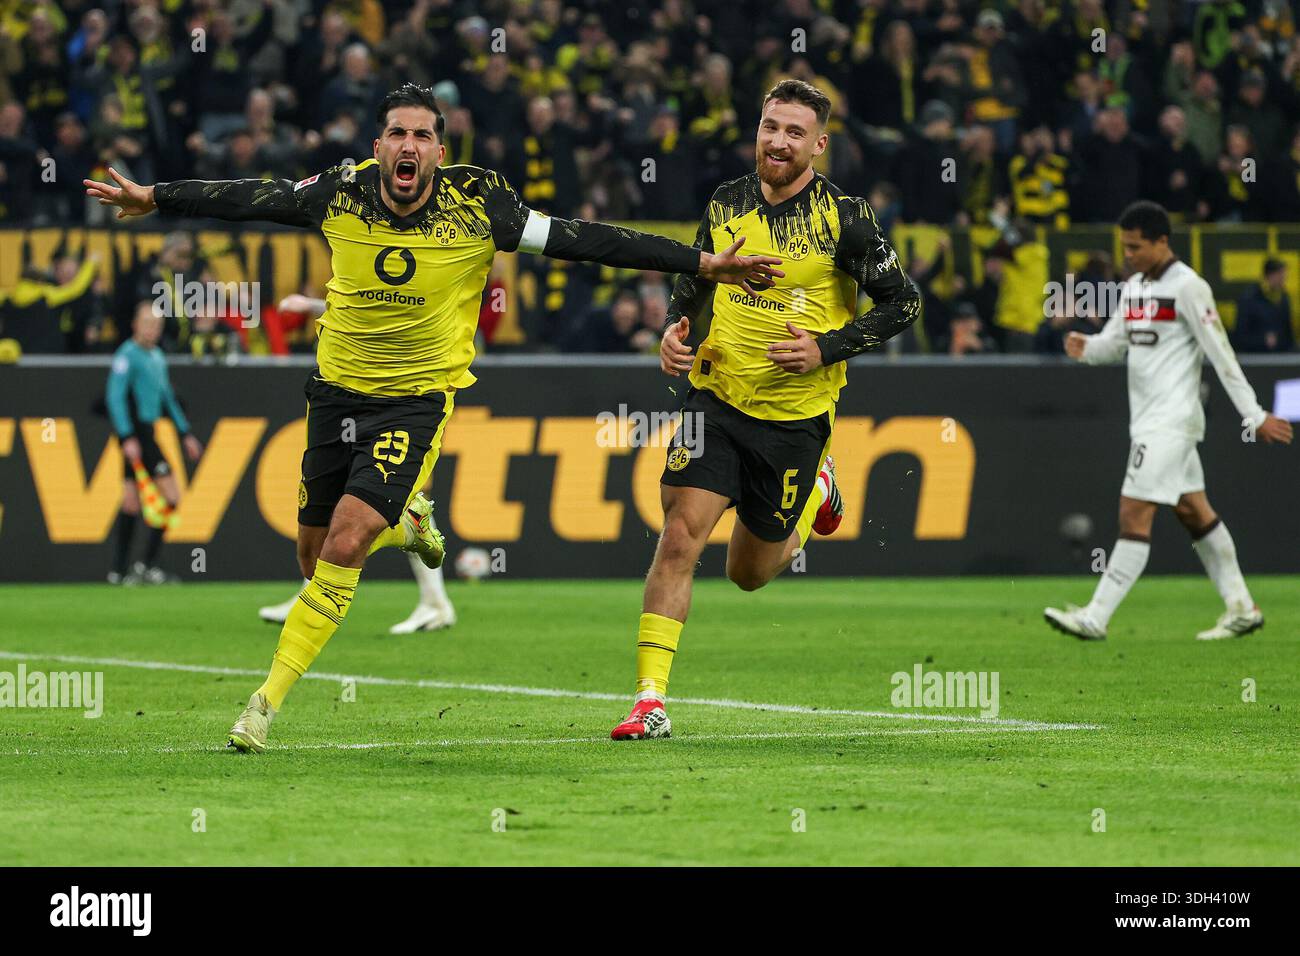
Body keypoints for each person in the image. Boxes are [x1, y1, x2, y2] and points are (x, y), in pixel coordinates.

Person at [86, 82, 781, 753]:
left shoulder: (481, 205)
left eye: (423, 134)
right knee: (313, 553)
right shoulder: (341, 192)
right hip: (335, 395)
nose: (409, 145)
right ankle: (409, 524)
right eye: (397, 133)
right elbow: (251, 198)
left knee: (345, 545)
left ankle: (261, 707)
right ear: (379, 146)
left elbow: (584, 238)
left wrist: (701, 263)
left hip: (416, 402)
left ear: (439, 153)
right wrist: (155, 195)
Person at [610, 79, 920, 740]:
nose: (778, 141)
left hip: (794, 420)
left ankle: (819, 490)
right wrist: (675, 327)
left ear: (819, 144)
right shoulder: (727, 201)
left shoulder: (847, 217)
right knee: (678, 534)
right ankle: (649, 699)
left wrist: (828, 348)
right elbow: (698, 276)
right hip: (716, 396)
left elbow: (904, 303)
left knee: (748, 573)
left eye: (794, 132)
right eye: (770, 127)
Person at [1045, 201, 1292, 642]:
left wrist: (1254, 414)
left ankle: (1096, 617)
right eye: (1124, 247)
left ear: (1162, 241)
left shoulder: (1189, 288)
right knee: (1195, 513)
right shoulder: (1135, 287)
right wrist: (1087, 345)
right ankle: (1241, 607)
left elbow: (1221, 355)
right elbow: (1114, 344)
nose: (1129, 256)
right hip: (1148, 422)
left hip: (1171, 423)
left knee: (1132, 514)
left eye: (1136, 247)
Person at [258, 294, 457, 634]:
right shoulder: (396, 267)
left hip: (408, 397)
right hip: (379, 395)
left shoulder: (417, 268)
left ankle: (434, 602)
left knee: (398, 499)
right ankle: (433, 601)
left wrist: (309, 305)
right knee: (372, 498)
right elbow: (366, 308)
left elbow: (379, 312)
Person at [106, 302, 204, 584]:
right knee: (171, 497)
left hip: (146, 431)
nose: (152, 329)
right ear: (135, 325)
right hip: (137, 433)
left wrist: (184, 433)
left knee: (131, 504)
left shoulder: (157, 357)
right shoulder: (127, 356)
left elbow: (167, 398)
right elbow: (115, 397)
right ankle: (147, 565)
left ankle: (119, 571)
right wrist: (126, 436)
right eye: (147, 323)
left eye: (157, 325)